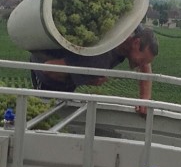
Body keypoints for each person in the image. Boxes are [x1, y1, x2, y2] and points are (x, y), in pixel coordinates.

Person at [29, 24, 158, 115]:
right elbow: (48, 69)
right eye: (142, 60)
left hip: (73, 66)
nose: (142, 64)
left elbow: (145, 63)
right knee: (47, 112)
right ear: (136, 43)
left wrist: (144, 98)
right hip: (48, 74)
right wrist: (89, 79)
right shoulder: (99, 60)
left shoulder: (131, 27)